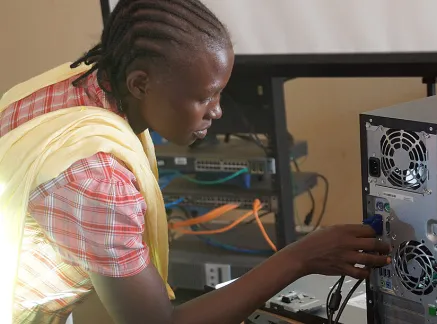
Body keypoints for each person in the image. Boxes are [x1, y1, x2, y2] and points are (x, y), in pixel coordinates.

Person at [3, 0, 391, 323]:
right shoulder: (98, 180)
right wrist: (299, 258)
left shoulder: (75, 83)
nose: (217, 112)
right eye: (205, 97)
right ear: (140, 84)